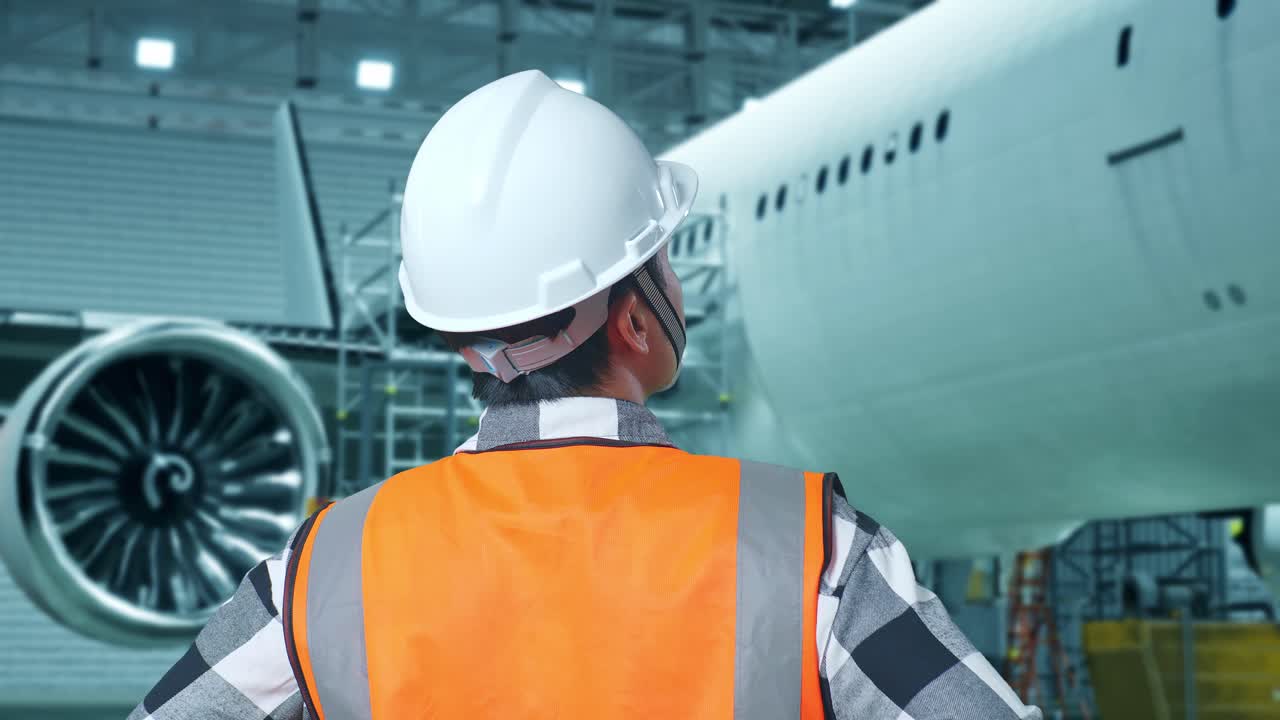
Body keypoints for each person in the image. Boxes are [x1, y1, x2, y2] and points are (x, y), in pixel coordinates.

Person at [130, 69, 1041, 720]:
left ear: (462, 343)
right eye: (667, 264)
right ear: (637, 321)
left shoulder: (322, 572)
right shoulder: (810, 550)